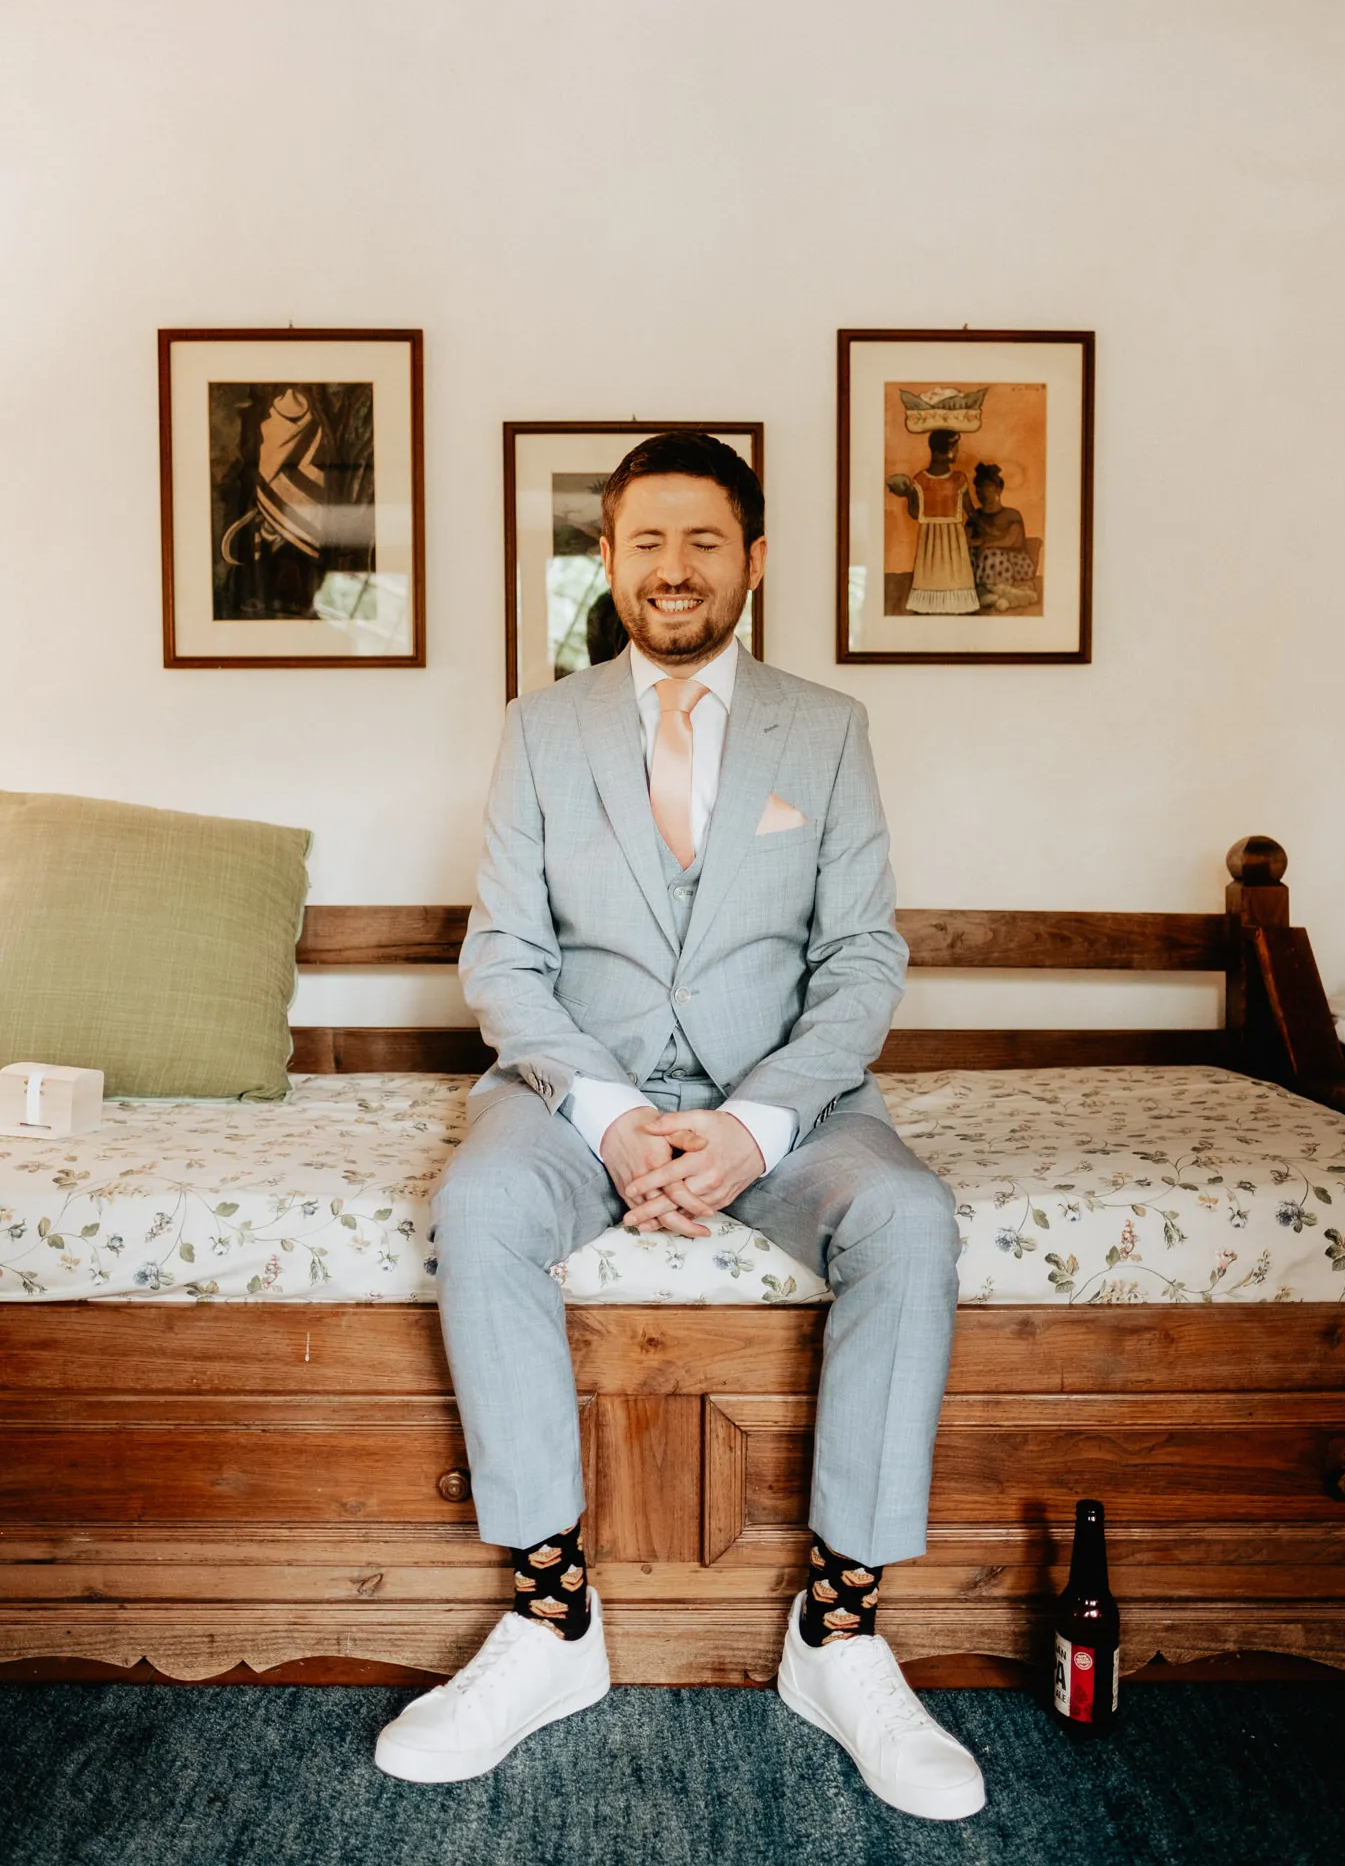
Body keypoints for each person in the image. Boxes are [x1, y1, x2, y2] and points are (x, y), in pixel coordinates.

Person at [374, 431, 983, 1822]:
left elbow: (864, 959)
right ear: (608, 557)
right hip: (575, 1097)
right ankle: (549, 1621)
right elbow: (505, 962)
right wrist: (616, 1114)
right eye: (646, 541)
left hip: (787, 1101)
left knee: (909, 1213)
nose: (673, 569)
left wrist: (757, 1127)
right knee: (475, 1207)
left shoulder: (823, 731)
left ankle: (840, 1634)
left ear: (754, 560)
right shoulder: (541, 730)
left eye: (705, 541)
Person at [886, 428, 980, 614]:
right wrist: (907, 495)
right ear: (939, 452)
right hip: (930, 538)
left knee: (955, 572)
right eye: (954, 448)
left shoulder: (958, 479)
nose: (958, 451)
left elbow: (970, 509)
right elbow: (915, 513)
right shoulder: (919, 481)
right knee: (932, 571)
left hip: (954, 538)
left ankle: (954, 604)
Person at [965, 462, 1039, 611]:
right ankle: (1004, 596)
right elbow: (965, 541)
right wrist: (980, 543)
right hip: (982, 564)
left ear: (998, 489)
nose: (980, 492)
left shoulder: (1012, 515)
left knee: (991, 554)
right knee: (977, 557)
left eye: (987, 487)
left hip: (1014, 562)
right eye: (977, 488)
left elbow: (1011, 541)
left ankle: (1002, 593)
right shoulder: (975, 517)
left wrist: (985, 544)